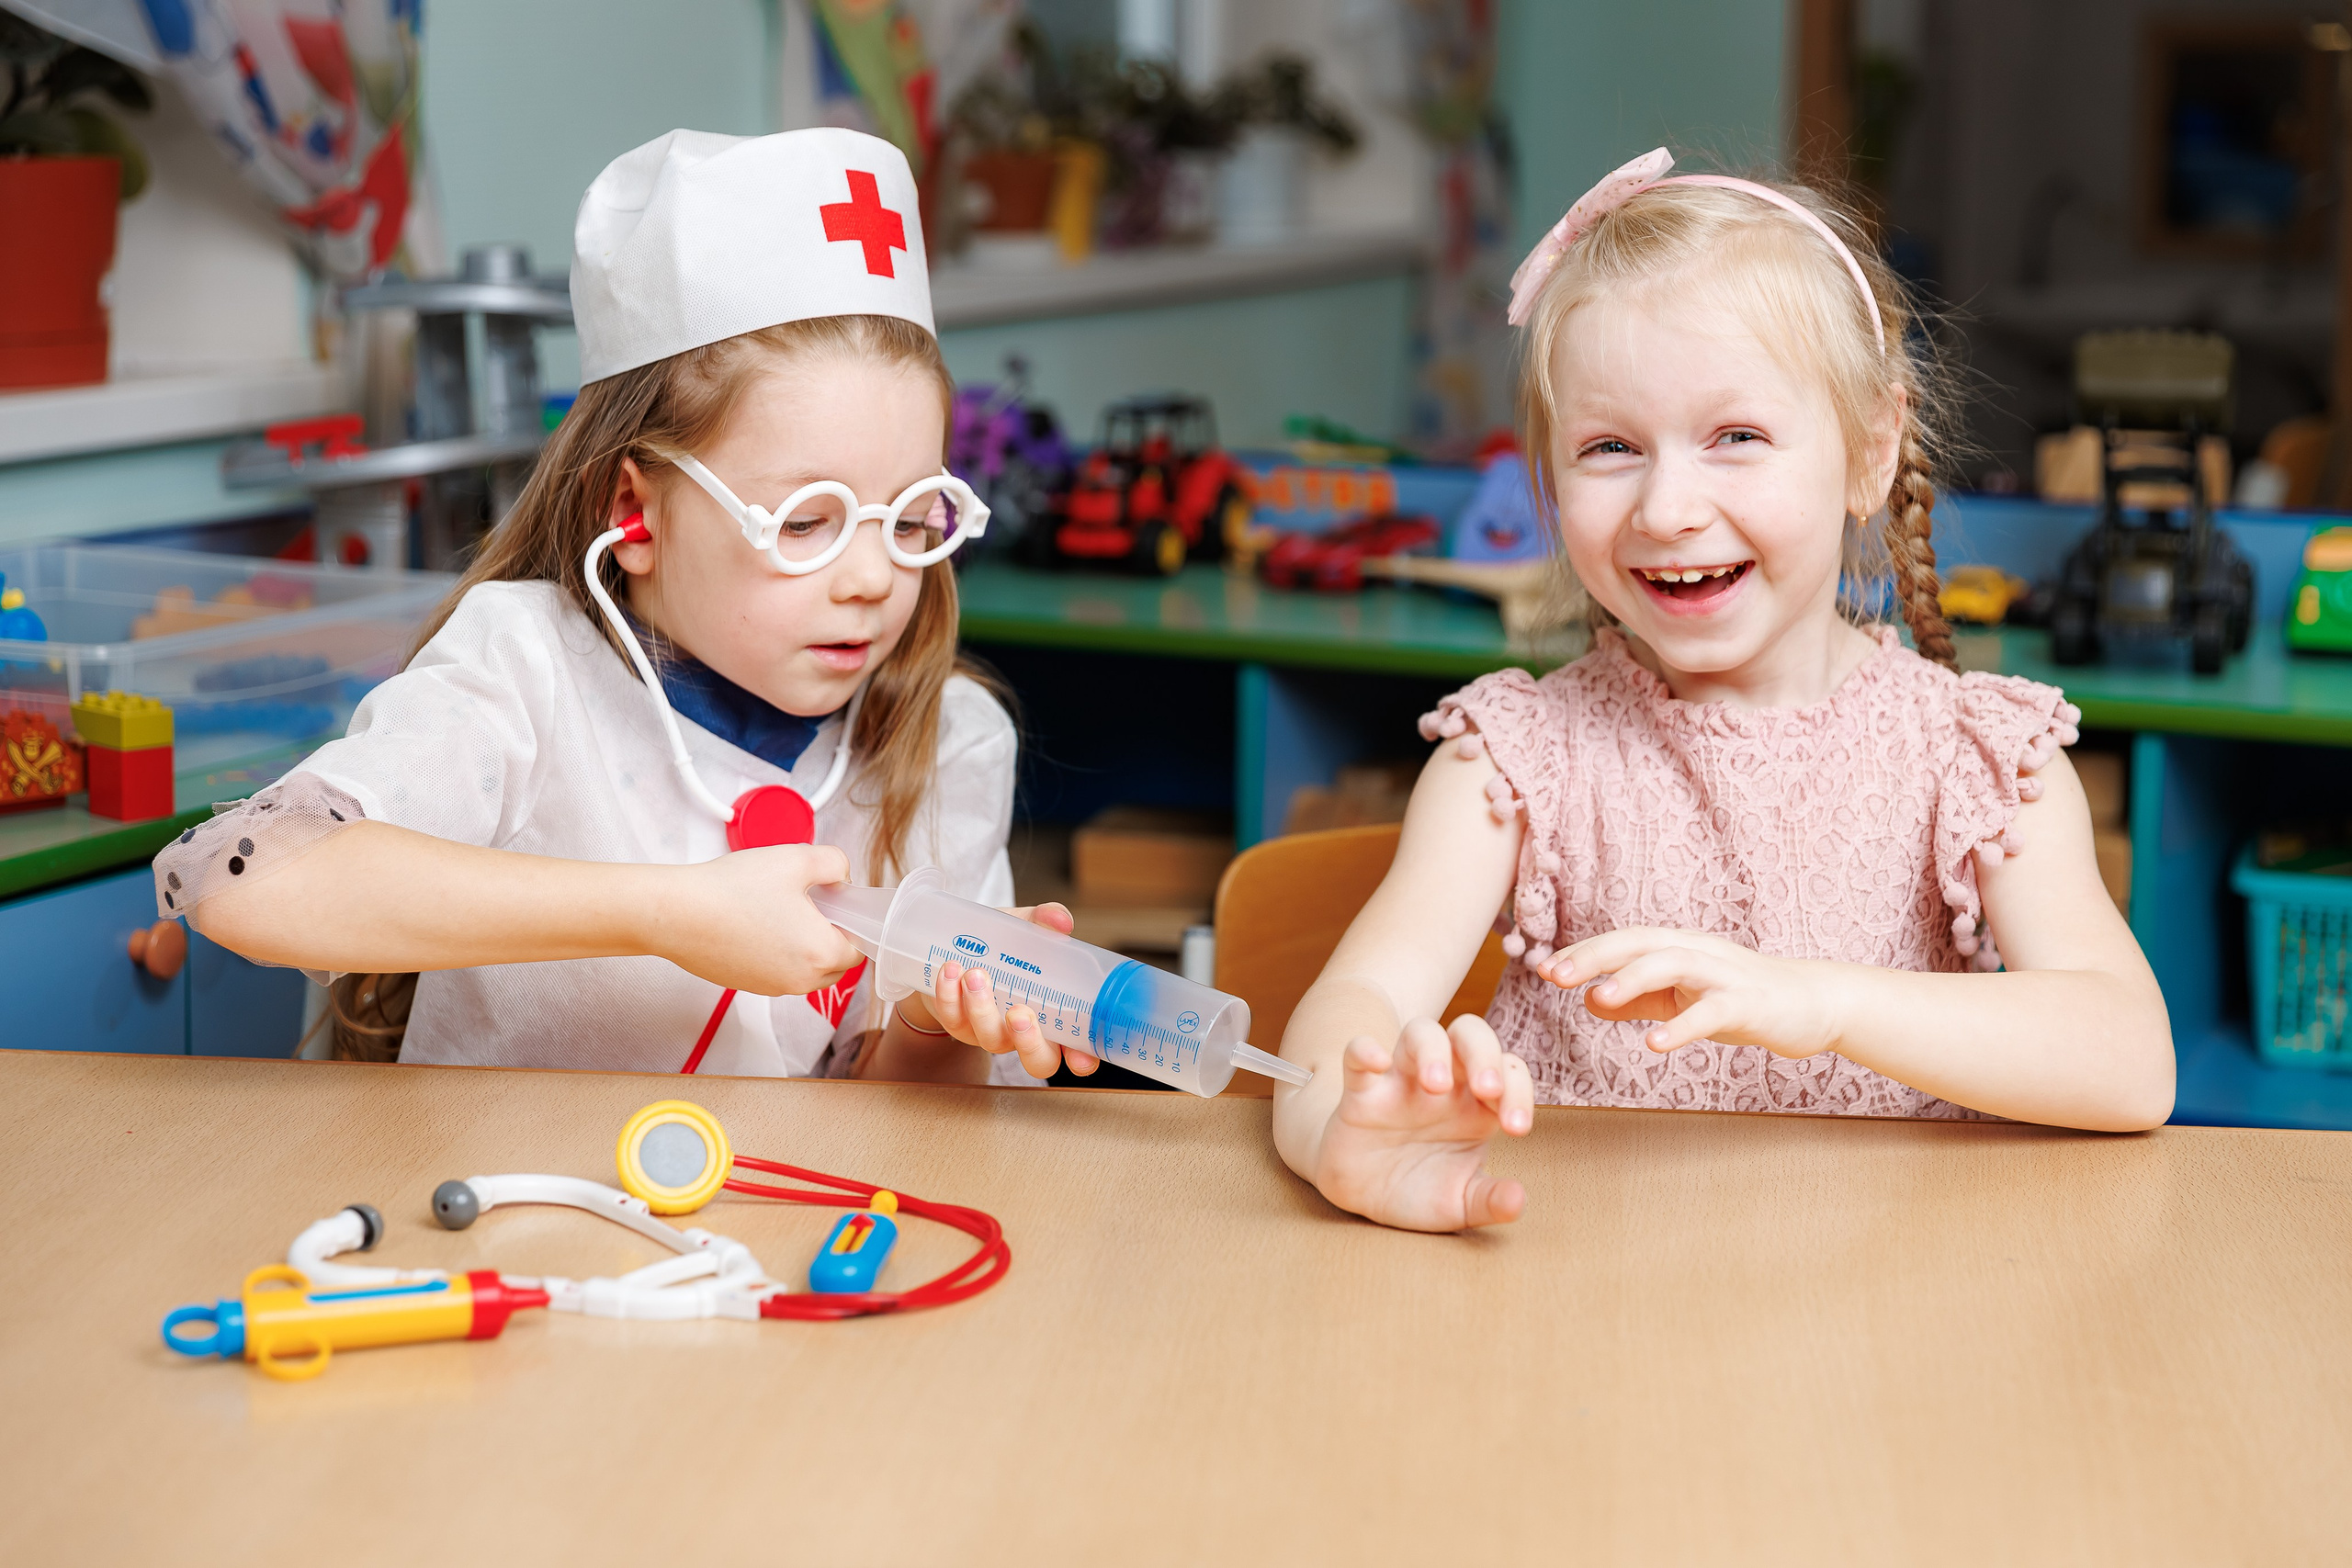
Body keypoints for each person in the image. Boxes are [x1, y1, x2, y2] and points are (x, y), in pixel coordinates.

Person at [1270, 149, 2175, 1231]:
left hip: (1875, 1317)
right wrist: (1343, 1135)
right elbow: (1351, 1013)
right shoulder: (1505, 760)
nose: (1666, 507)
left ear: (1868, 451)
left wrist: (1821, 1002)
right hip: (1587, 1302)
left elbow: (2128, 1062)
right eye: (1609, 447)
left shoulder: (1978, 759)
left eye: (1735, 438)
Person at [158, 128, 1092, 1086]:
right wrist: (667, 911)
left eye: (908, 517)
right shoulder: (523, 671)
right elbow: (246, 878)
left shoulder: (948, 741)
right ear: (635, 511)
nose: (872, 579)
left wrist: (936, 1024)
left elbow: (894, 1124)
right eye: (806, 522)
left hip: (776, 1231)